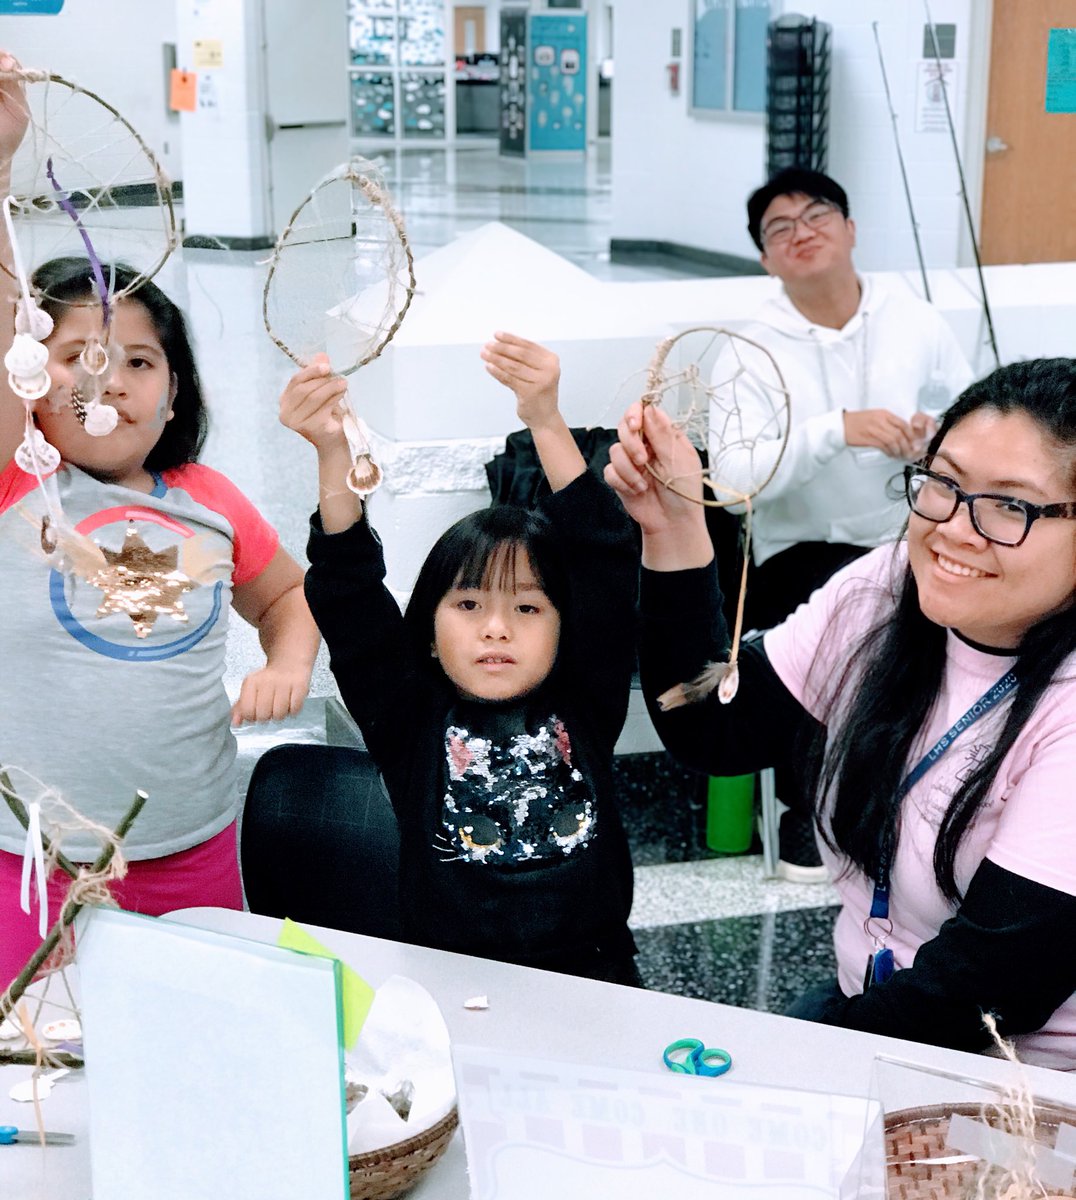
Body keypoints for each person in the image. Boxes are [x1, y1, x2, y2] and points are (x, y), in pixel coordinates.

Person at [606, 358, 1076, 1070]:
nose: (954, 530)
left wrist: (796, 1065)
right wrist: (673, 529)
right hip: (875, 1005)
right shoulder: (886, 590)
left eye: (1010, 506)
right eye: (943, 483)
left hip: (1019, 1079)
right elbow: (716, 728)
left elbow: (986, 988)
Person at [0, 69, 320, 988]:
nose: (108, 380)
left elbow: (286, 596)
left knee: (193, 1034)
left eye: (138, 359)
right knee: (43, 1060)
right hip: (29, 861)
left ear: (175, 388)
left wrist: (289, 662)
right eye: (74, 357)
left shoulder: (210, 498)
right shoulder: (19, 483)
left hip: (191, 850)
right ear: (29, 375)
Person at [280, 333, 641, 984]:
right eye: (470, 605)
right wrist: (333, 452)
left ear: (566, 628)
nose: (496, 629)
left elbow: (604, 550)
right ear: (429, 628)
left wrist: (545, 420)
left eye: (527, 608)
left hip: (599, 977)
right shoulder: (408, 714)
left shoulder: (585, 698)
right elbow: (348, 590)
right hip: (448, 985)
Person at [714, 167, 975, 879]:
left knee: (968, 610)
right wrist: (837, 430)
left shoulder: (913, 318)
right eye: (780, 229)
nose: (802, 233)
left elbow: (973, 414)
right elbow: (736, 481)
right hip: (798, 547)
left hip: (907, 538)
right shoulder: (746, 348)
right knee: (843, 622)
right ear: (766, 259)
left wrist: (937, 436)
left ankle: (921, 798)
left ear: (850, 229)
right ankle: (809, 806)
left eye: (817, 216)